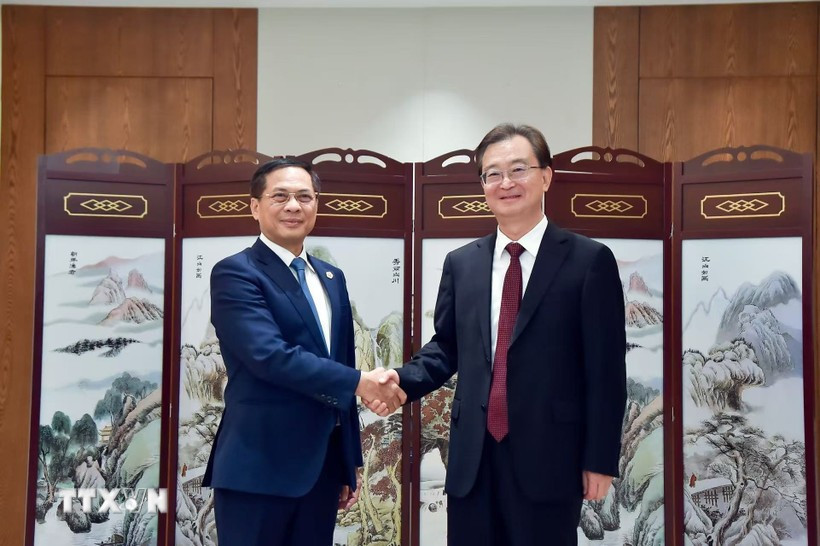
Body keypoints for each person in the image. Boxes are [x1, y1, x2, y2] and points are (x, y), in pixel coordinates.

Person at [375, 124, 627, 545]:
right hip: (474, 458)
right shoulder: (462, 263)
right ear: (483, 185)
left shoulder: (589, 261)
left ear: (546, 177)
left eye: (518, 169)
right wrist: (402, 381)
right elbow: (446, 348)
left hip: (551, 457)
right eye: (493, 174)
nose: (506, 183)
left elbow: (605, 370)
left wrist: (599, 459)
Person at [202, 157, 405, 546]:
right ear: (255, 206)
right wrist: (363, 382)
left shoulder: (331, 278)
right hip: (258, 469)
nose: (293, 206)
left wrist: (349, 462)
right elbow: (269, 356)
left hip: (321, 471)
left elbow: (339, 365)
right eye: (280, 196)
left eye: (304, 197)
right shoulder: (236, 273)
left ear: (316, 205)